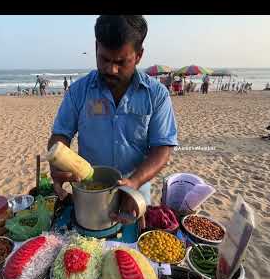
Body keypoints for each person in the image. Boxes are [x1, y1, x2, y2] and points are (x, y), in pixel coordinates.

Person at [48, 15, 178, 226]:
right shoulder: (79, 91)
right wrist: (58, 162)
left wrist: (134, 182)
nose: (111, 69)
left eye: (120, 62)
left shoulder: (157, 95)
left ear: (138, 56)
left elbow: (162, 149)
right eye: (104, 59)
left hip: (135, 195)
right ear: (96, 46)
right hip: (89, 197)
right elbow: (60, 134)